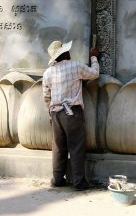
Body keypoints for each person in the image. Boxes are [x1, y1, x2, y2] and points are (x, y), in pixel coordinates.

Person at [42, 40, 99, 191]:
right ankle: (79, 182)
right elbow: (94, 74)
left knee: (58, 147)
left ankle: (58, 179)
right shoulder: (75, 66)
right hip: (72, 112)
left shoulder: (48, 73)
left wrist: (51, 113)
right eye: (67, 50)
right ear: (65, 53)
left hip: (55, 113)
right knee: (76, 146)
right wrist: (94, 57)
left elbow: (46, 97)